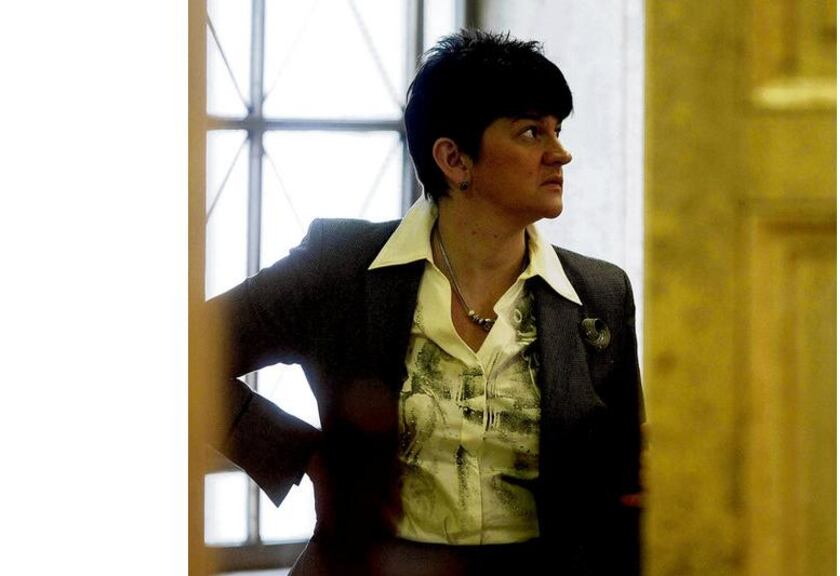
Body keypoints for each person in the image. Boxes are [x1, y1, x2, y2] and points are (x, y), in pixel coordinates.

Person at [204, 29, 644, 575]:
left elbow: (628, 485)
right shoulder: (339, 269)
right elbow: (188, 353)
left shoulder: (600, 294)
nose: (561, 153)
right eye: (532, 132)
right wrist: (303, 455)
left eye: (558, 130)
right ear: (454, 159)